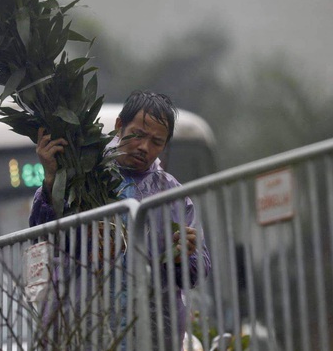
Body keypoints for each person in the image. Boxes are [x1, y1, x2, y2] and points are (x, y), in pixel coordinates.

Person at [29, 90, 212, 349]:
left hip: (151, 336)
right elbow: (42, 238)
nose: (144, 147)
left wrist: (183, 258)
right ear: (119, 126)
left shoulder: (173, 195)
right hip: (82, 330)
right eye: (138, 135)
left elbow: (198, 269)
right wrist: (51, 180)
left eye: (156, 142)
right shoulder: (84, 174)